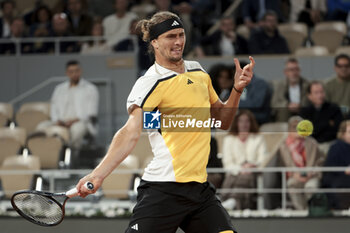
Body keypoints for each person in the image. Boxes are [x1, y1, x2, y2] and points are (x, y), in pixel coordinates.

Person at [75, 11, 254, 233]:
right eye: (171, 36)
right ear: (155, 43)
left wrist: (236, 90)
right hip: (163, 190)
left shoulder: (198, 72)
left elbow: (222, 121)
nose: (178, 41)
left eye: (181, 34)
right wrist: (97, 174)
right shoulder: (150, 83)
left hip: (199, 191)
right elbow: (130, 132)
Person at [37, 60, 99, 150]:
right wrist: (57, 121)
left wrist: (73, 121)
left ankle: (72, 156)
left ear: (80, 71)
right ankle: (49, 154)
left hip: (80, 122)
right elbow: (54, 108)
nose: (74, 74)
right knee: (41, 127)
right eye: (71, 72)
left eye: (76, 71)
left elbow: (91, 113)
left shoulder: (90, 89)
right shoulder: (59, 89)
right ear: (67, 73)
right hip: (61, 121)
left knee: (76, 130)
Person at [220, 110, 267, 210]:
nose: (244, 124)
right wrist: (241, 169)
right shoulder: (229, 139)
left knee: (245, 178)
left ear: (251, 123)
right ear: (236, 123)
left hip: (252, 172)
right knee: (234, 177)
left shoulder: (258, 138)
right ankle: (231, 201)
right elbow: (227, 163)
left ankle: (230, 200)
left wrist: (252, 166)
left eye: (247, 121)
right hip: (234, 172)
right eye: (241, 121)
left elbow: (263, 159)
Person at [276, 116, 324, 210]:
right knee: (292, 185)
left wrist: (312, 173)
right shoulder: (282, 146)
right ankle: (301, 212)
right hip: (294, 177)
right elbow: (281, 165)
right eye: (294, 127)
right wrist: (293, 174)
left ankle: (310, 211)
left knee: (311, 187)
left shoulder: (312, 143)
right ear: (289, 130)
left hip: (311, 176)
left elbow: (320, 162)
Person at [300, 81, 343, 153]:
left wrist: (315, 127)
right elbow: (306, 133)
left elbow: (337, 129)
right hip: (312, 145)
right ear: (309, 96)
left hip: (331, 144)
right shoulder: (304, 111)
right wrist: (327, 123)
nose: (320, 95)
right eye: (316, 93)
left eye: (322, 92)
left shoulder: (334, 108)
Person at [322, 120, 350, 209]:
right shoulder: (336, 147)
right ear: (343, 133)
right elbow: (330, 167)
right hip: (338, 178)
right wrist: (344, 171)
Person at [271, 57, 309, 122]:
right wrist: (287, 105)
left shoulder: (307, 84)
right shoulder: (280, 85)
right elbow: (274, 103)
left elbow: (310, 101)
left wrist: (300, 105)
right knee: (283, 110)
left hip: (302, 111)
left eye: (296, 69)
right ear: (285, 72)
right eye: (291, 70)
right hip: (286, 113)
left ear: (300, 71)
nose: (294, 72)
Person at [238, 60, 272, 125]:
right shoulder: (240, 83)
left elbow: (256, 105)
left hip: (258, 116)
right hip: (242, 115)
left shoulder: (260, 84)